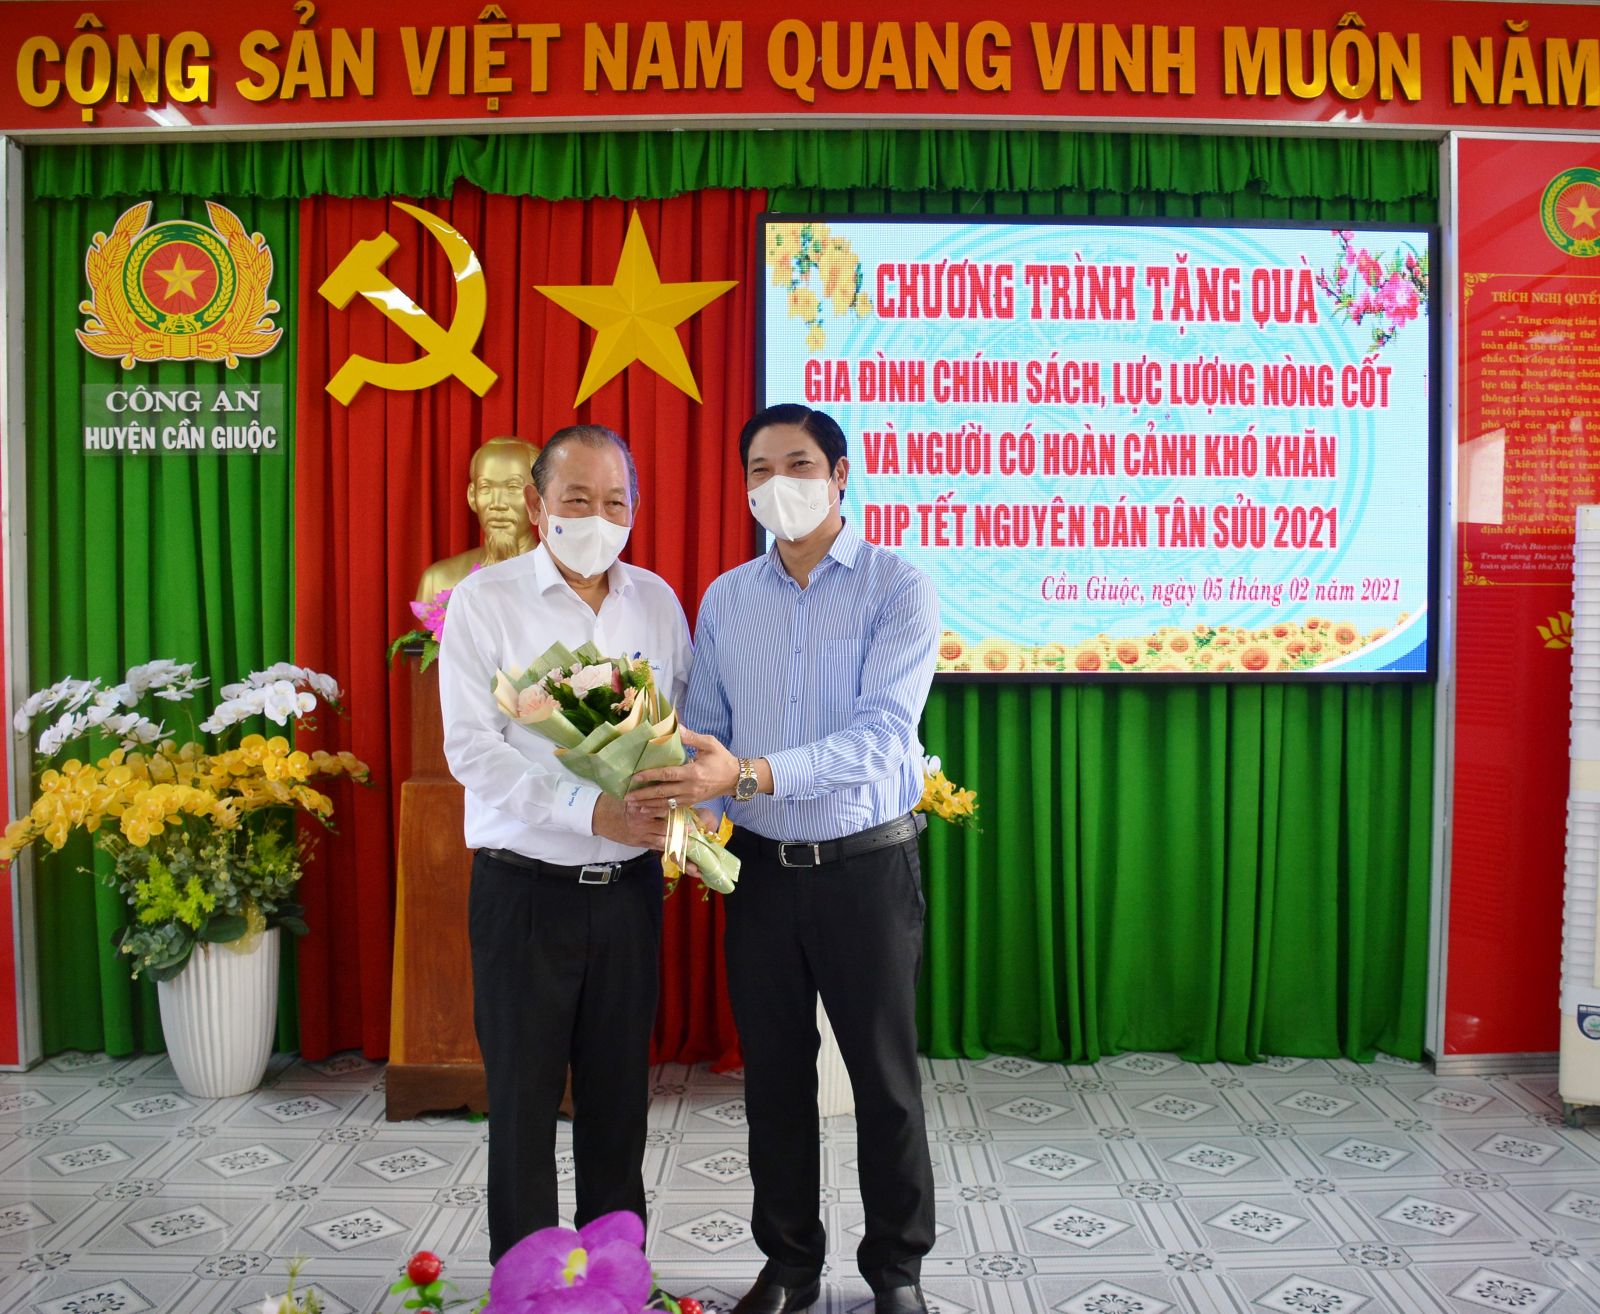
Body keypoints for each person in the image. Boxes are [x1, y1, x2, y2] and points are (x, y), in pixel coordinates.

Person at [629, 403, 940, 1314]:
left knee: (883, 1080)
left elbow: (886, 735)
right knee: (772, 1079)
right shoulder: (727, 597)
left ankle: (896, 1272)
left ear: (841, 476)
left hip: (865, 868)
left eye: (798, 465)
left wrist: (756, 774)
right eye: (759, 470)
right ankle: (791, 1264)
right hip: (760, 876)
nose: (778, 486)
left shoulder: (897, 585)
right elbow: (709, 737)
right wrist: (696, 823)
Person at [438, 424, 690, 1264]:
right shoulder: (487, 599)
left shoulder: (655, 601)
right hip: (525, 895)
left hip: (627, 896)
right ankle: (529, 1284)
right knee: (522, 1108)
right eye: (576, 499)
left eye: (615, 501)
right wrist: (592, 811)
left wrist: (681, 812)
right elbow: (472, 750)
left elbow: (681, 736)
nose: (596, 516)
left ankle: (616, 1276)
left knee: (619, 1107)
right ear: (540, 507)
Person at [416, 435, 542, 602]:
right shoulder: (439, 581)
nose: (497, 504)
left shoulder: (568, 581)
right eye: (486, 488)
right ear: (472, 496)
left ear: (538, 499)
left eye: (512, 487)